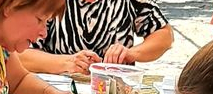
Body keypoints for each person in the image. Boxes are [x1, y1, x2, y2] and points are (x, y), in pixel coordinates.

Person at [19, 0, 174, 74]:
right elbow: (20, 53)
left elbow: (165, 35)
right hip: (56, 89)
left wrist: (131, 53)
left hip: (117, 92)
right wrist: (68, 62)